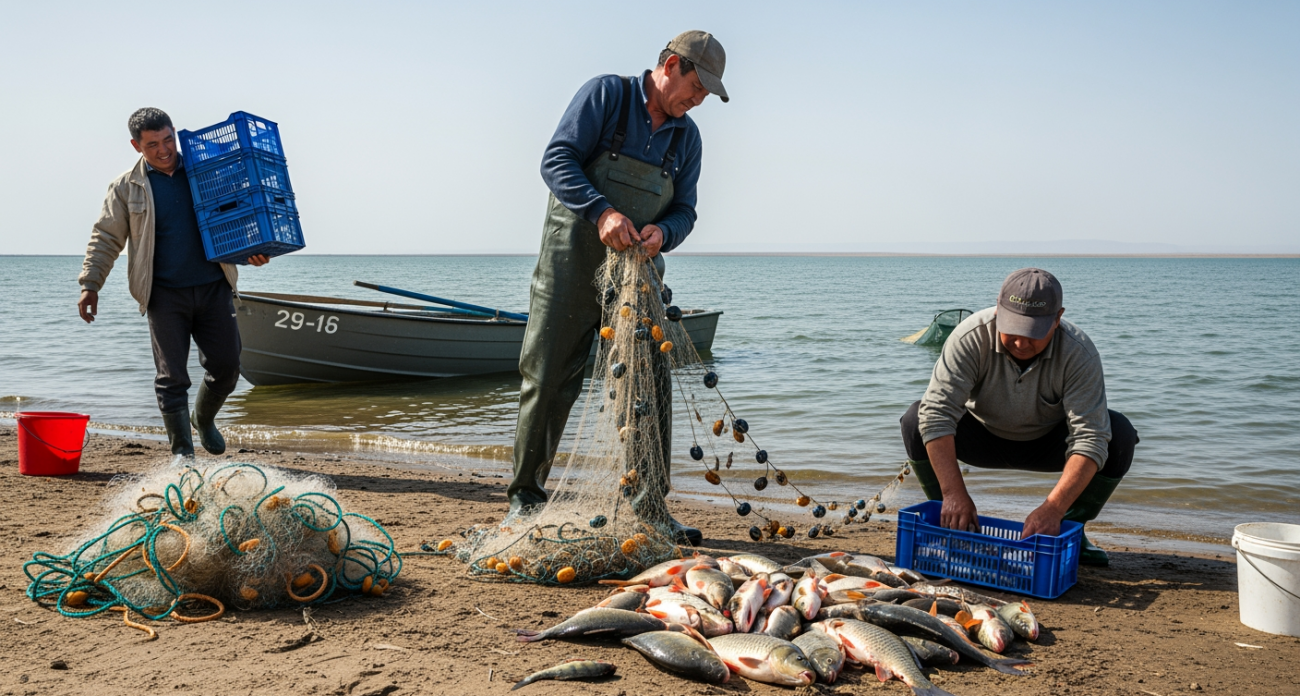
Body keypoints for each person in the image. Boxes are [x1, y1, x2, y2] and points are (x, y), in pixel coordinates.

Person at [507, 31, 729, 545]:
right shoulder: (607, 95)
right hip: (571, 260)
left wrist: (664, 232)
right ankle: (525, 498)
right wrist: (601, 211)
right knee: (547, 375)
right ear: (671, 65)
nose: (698, 102)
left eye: (704, 96)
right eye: (696, 88)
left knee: (648, 384)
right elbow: (556, 160)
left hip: (639, 276)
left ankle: (650, 506)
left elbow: (686, 210)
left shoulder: (687, 138)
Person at [899, 268, 1138, 566]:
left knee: (1119, 434)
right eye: (1013, 328)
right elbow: (937, 415)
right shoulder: (969, 338)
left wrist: (1053, 508)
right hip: (982, 436)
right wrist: (954, 493)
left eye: (1034, 332)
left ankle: (1069, 529)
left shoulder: (1079, 354)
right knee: (915, 419)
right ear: (998, 308)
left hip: (1048, 443)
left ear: (1057, 318)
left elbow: (1090, 437)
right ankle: (948, 520)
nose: (1022, 343)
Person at [77, 107, 269, 457]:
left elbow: (237, 215)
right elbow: (106, 237)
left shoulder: (205, 172)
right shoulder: (126, 187)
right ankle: (182, 455)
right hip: (163, 295)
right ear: (136, 146)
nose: (164, 149)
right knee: (171, 378)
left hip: (214, 285)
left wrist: (254, 250)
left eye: (168, 139)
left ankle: (204, 418)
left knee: (227, 368)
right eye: (153, 145)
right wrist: (91, 284)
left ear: (175, 133)